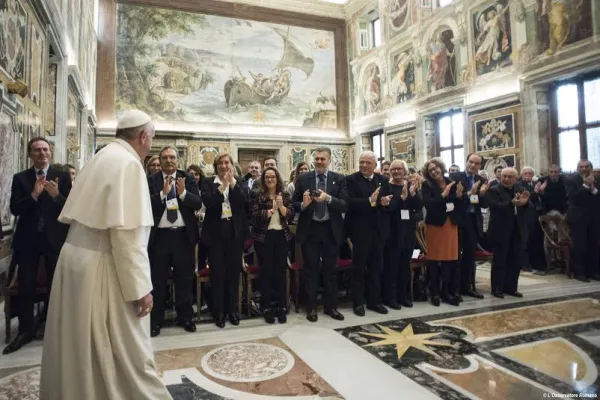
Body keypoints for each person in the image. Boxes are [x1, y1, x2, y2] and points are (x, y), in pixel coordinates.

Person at [40, 110, 172, 399]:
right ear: (143, 136)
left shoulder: (101, 157)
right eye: (151, 138)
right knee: (129, 353)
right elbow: (127, 235)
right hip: (103, 267)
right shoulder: (129, 164)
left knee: (80, 349)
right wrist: (141, 289)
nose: (150, 145)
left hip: (76, 260)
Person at [5, 137, 72, 355]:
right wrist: (33, 195)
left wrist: (56, 196)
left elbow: (71, 208)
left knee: (57, 286)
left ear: (50, 153)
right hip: (28, 241)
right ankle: (25, 331)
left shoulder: (61, 177)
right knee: (26, 287)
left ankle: (55, 329)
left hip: (54, 240)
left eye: (45, 149)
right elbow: (15, 208)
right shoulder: (20, 178)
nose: (42, 153)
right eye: (37, 150)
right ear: (30, 155)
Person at [147, 146, 202, 337]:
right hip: (159, 237)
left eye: (172, 157)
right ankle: (156, 320)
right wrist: (163, 194)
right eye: (165, 158)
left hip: (183, 236)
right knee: (158, 281)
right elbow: (145, 204)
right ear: (160, 160)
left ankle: (185, 317)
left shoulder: (187, 177)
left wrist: (183, 193)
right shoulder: (152, 179)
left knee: (184, 279)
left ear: (177, 160)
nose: (169, 160)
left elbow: (197, 203)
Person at [293, 147, 346, 322]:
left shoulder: (339, 179)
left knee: (331, 270)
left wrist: (328, 198)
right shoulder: (304, 178)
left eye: (323, 159)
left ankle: (332, 307)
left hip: (331, 231)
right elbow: (293, 204)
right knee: (311, 270)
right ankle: (311, 308)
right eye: (317, 159)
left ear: (329, 160)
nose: (319, 162)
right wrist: (303, 204)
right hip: (311, 230)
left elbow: (345, 205)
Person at [201, 153, 249, 328]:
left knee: (233, 274)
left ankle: (233, 310)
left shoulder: (240, 182)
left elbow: (243, 200)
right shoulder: (208, 182)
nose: (223, 165)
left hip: (234, 234)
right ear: (216, 166)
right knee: (218, 274)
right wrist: (222, 187)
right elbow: (208, 201)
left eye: (227, 162)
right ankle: (218, 312)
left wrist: (232, 184)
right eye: (220, 163)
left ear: (232, 165)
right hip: (215, 235)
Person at [344, 151, 390, 316]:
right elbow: (349, 202)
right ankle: (358, 303)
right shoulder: (351, 180)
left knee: (376, 267)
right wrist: (369, 201)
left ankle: (374, 301)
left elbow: (386, 203)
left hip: (379, 231)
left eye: (367, 163)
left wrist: (385, 203)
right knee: (359, 268)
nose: (363, 165)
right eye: (361, 162)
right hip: (360, 231)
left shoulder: (382, 180)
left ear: (375, 165)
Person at [250, 167, 294, 324]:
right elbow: (254, 216)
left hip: (281, 236)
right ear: (263, 179)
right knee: (266, 272)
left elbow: (290, 214)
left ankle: (281, 306)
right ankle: (267, 307)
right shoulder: (257, 195)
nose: (270, 180)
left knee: (280, 273)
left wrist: (281, 207)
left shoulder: (285, 194)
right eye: (267, 177)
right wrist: (270, 211)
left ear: (277, 179)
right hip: (264, 238)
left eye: (272, 177)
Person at [421, 157, 463, 307]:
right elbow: (429, 205)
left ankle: (446, 291)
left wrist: (459, 197)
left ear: (441, 167)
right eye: (431, 170)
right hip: (435, 225)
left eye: (436, 168)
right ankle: (434, 293)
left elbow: (459, 203)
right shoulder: (426, 185)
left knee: (449, 260)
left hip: (450, 224)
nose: (434, 171)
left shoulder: (452, 181)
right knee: (434, 260)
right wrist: (443, 194)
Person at [381, 160, 422, 309]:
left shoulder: (410, 185)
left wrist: (412, 194)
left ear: (404, 171)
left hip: (408, 229)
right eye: (394, 169)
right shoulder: (386, 185)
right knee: (392, 265)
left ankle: (403, 296)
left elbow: (418, 206)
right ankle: (390, 297)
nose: (396, 171)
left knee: (405, 264)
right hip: (392, 230)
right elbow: (388, 208)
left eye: (399, 169)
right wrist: (402, 198)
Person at [486, 167, 530, 298]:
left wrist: (525, 203)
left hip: (517, 230)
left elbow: (530, 206)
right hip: (500, 231)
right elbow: (495, 207)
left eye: (510, 177)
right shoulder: (493, 190)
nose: (506, 179)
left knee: (515, 260)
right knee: (500, 261)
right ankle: (497, 288)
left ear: (516, 178)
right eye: (504, 176)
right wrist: (512, 203)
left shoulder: (520, 189)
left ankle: (511, 287)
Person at [450, 153, 488, 300]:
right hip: (458, 220)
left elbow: (483, 204)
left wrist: (482, 194)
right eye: (471, 162)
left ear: (480, 166)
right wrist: (469, 194)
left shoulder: (481, 180)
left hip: (473, 221)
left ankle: (469, 286)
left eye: (476, 164)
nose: (472, 165)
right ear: (466, 162)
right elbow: (454, 199)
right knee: (455, 257)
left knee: (470, 257)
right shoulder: (455, 177)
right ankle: (455, 288)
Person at [565, 160, 600, 282]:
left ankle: (593, 271)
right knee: (580, 246)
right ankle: (579, 273)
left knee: (594, 245)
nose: (584, 169)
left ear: (591, 167)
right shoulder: (571, 180)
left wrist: (593, 189)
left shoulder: (597, 178)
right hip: (578, 218)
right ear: (577, 168)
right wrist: (585, 186)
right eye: (581, 167)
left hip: (594, 217)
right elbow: (573, 197)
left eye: (587, 167)